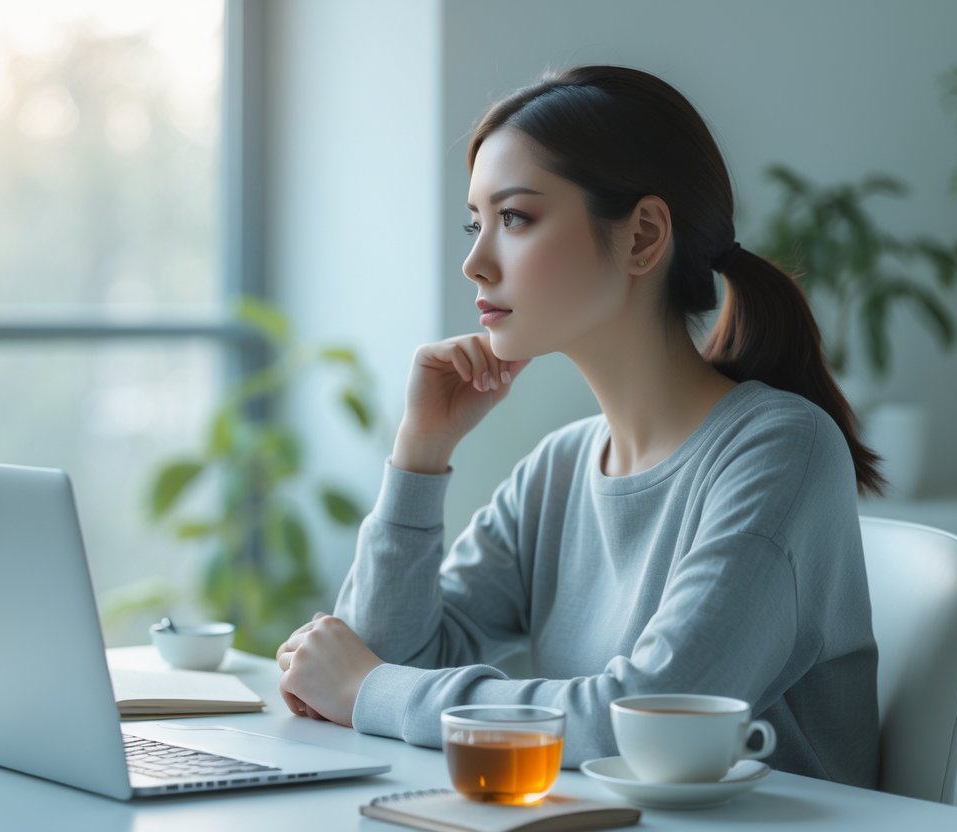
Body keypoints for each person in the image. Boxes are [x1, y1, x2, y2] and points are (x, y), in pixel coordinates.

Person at [275, 65, 881, 789]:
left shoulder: (780, 451)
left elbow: (639, 721)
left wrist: (368, 689)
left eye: (515, 218)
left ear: (641, 237)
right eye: (475, 223)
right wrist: (420, 454)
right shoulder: (558, 467)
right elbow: (379, 662)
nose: (474, 262)